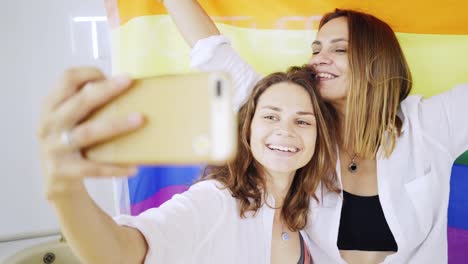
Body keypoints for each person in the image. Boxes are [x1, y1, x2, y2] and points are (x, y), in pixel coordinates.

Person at [162, 1, 468, 263]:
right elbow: (213, 53)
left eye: (339, 49)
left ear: (376, 61)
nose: (319, 58)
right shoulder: (299, 128)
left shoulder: (430, 123)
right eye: (316, 49)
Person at [38, 65, 338, 263]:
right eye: (270, 116)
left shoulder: (308, 211)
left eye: (302, 121)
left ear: (317, 137)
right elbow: (122, 253)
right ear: (247, 129)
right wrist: (64, 191)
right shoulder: (215, 201)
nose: (286, 130)